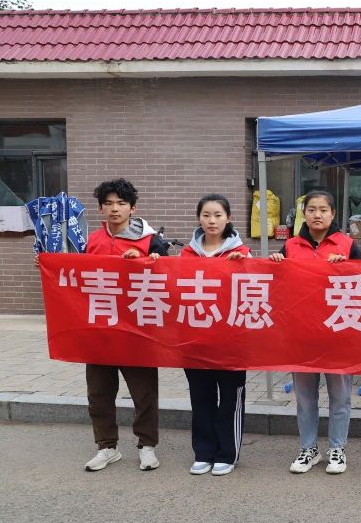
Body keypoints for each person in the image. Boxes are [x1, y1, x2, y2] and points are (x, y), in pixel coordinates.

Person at [270, 191, 361, 476]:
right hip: (302, 335)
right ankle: (308, 448)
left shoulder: (347, 244)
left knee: (340, 396)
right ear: (304, 214)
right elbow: (276, 287)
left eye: (323, 209)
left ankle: (337, 448)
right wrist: (275, 265)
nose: (317, 215)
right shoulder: (290, 246)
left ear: (333, 213)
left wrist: (347, 267)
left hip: (338, 333)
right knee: (305, 397)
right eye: (311, 209)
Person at [82, 178, 167, 472]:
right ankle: (107, 446)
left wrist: (145, 259)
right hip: (101, 328)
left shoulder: (150, 239)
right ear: (101, 209)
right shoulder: (92, 240)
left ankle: (147, 446)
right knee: (99, 392)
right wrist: (47, 265)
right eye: (108, 204)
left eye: (121, 203)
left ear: (133, 208)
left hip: (137, 328)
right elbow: (77, 277)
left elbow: (169, 276)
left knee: (144, 393)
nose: (114, 209)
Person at [179, 194, 251, 476]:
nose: (212, 221)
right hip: (195, 341)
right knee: (201, 398)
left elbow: (253, 292)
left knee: (230, 399)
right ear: (199, 218)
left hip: (232, 342)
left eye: (218, 215)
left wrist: (242, 267)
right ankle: (203, 452)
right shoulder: (186, 254)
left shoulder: (242, 253)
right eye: (206, 215)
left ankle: (227, 454)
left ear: (228, 218)